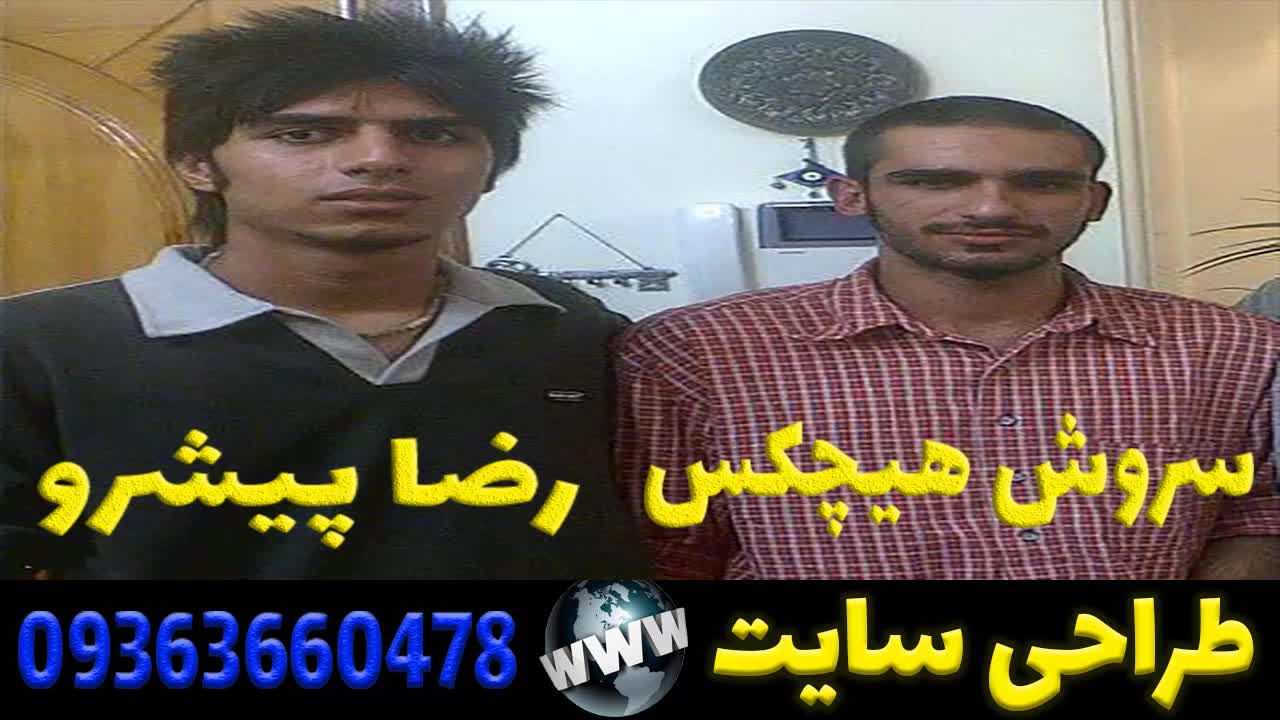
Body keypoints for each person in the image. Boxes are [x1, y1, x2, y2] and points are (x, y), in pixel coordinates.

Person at [0, 8, 650, 579]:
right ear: (197, 164)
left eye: (433, 134)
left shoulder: (566, 328)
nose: (377, 159)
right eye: (304, 134)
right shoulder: (39, 348)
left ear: (492, 170)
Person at [615, 95, 1280, 580]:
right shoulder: (700, 352)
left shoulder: (1230, 346)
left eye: (1042, 183)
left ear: (1095, 201)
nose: (991, 207)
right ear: (852, 197)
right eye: (934, 181)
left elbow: (1254, 514)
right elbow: (668, 551)